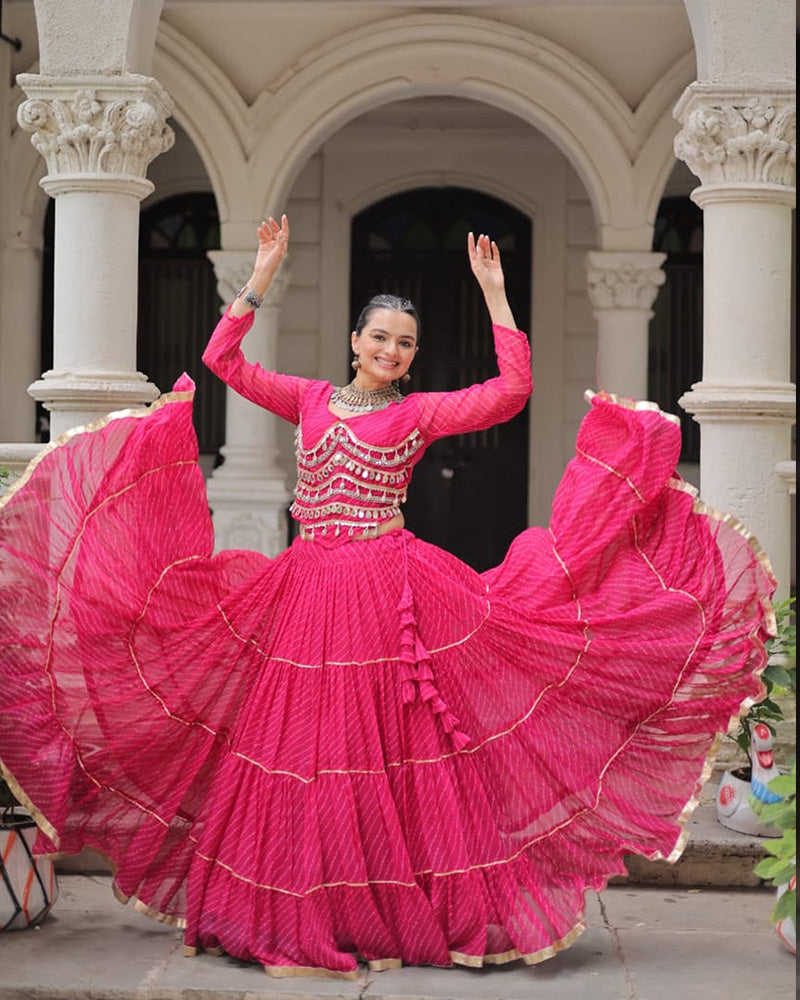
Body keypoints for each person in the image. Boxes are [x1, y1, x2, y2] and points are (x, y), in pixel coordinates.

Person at [0, 214, 776, 979]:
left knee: (381, 754)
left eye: (404, 343)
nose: (391, 351)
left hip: (386, 592)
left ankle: (382, 909)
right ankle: (302, 912)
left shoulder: (416, 412)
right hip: (305, 590)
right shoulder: (307, 398)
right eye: (380, 338)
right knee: (296, 753)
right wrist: (261, 277)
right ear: (354, 342)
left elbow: (511, 392)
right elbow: (222, 360)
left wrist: (497, 297)